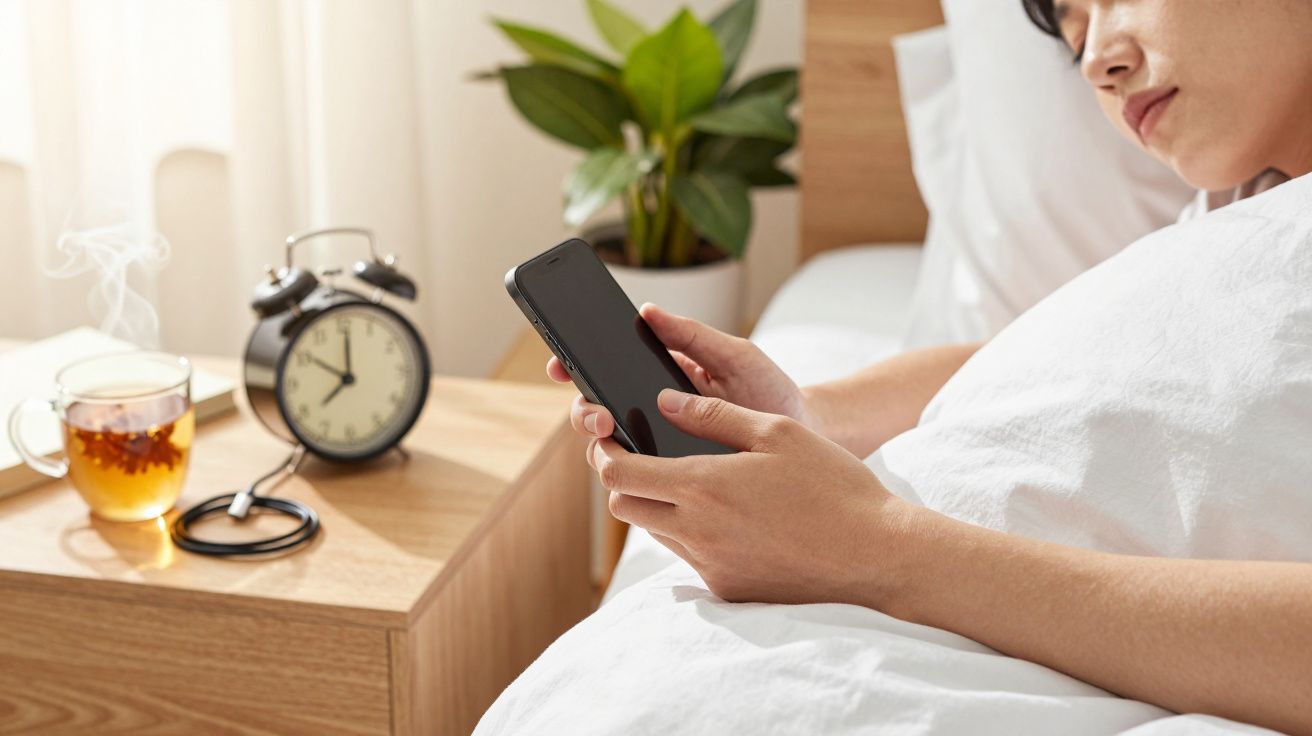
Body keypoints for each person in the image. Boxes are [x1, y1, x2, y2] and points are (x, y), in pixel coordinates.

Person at [546, 0, 1312, 732]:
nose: (1094, 65)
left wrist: (873, 548)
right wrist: (807, 418)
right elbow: (1065, 367)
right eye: (1073, 35)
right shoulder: (1238, 205)